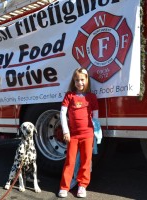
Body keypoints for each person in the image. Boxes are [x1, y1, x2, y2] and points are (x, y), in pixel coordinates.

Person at [58, 67, 99, 198]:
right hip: (73, 135)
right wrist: (66, 131)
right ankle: (65, 186)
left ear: (86, 80)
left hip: (88, 135)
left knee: (86, 161)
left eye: (82, 79)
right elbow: (63, 113)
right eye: (76, 80)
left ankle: (82, 185)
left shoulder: (92, 97)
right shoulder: (69, 96)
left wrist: (97, 134)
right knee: (70, 161)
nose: (79, 83)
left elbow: (96, 118)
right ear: (73, 81)